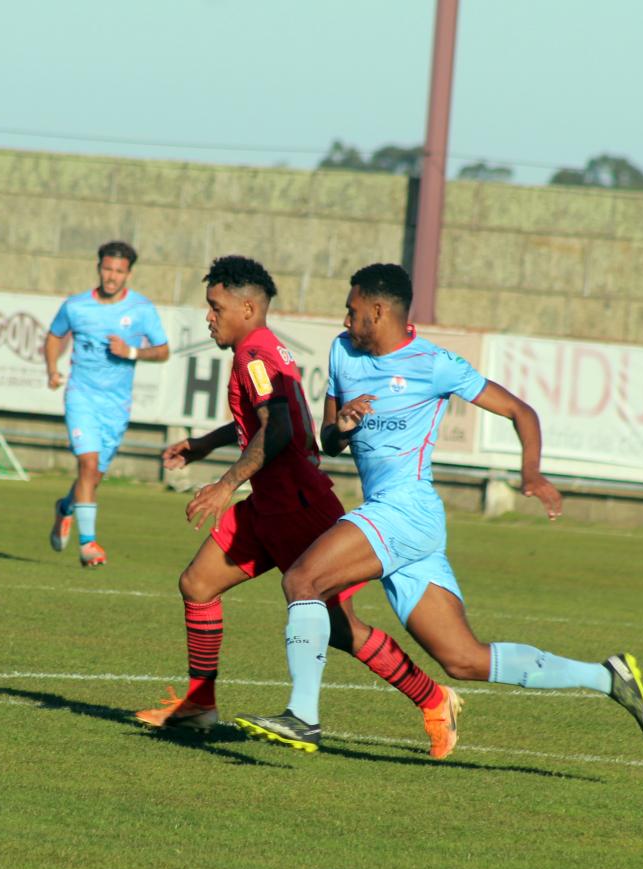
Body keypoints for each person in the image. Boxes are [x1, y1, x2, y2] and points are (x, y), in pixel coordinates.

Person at [236, 262, 643, 749]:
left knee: (302, 581)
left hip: (407, 510)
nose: (345, 319)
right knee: (463, 660)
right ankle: (608, 676)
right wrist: (343, 426)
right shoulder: (342, 352)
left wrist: (532, 472)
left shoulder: (434, 364)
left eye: (352, 310)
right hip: (398, 519)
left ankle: (301, 716)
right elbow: (328, 442)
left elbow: (522, 411)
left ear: (378, 310)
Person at [135, 256, 462, 758]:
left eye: (215, 306)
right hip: (268, 503)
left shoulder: (256, 355)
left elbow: (282, 429)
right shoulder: (257, 350)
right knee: (197, 584)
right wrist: (204, 444)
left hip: (299, 506)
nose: (209, 316)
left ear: (247, 307)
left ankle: (435, 698)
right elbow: (265, 421)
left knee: (340, 630)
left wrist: (224, 485)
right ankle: (200, 705)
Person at [44, 241, 169, 567]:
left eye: (119, 271)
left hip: (116, 406)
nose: (112, 276)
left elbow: (163, 350)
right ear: (98, 267)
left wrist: (130, 352)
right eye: (107, 269)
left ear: (128, 273)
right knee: (86, 466)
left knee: (93, 478)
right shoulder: (76, 306)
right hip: (81, 396)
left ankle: (65, 509)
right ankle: (88, 544)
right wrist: (52, 369)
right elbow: (55, 335)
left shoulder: (141, 310)